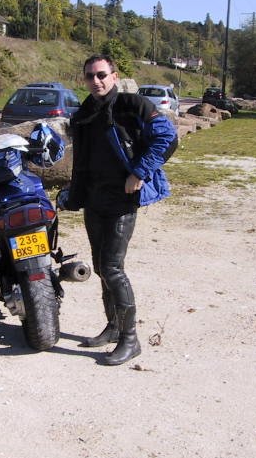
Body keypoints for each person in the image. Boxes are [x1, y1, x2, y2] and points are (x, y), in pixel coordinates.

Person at [61, 55, 177, 365]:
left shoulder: (133, 105)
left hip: (122, 200)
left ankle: (130, 339)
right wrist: (73, 195)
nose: (95, 80)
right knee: (101, 267)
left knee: (112, 268)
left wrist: (139, 172)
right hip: (93, 200)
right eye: (90, 76)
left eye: (101, 74)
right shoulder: (83, 113)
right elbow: (81, 160)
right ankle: (113, 327)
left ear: (114, 76)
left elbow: (167, 137)